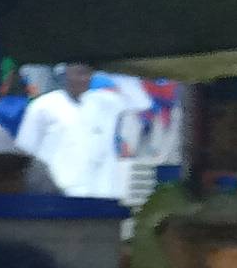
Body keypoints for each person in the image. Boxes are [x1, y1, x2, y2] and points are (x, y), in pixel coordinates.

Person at [14, 64, 145, 201]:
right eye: (78, 73)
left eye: (87, 74)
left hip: (102, 193)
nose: (84, 79)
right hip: (57, 195)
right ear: (64, 75)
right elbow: (26, 150)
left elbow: (140, 101)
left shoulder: (106, 102)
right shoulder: (43, 105)